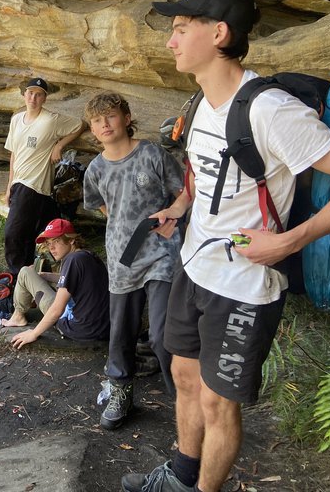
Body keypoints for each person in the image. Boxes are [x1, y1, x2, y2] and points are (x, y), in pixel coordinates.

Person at [121, 0, 330, 492]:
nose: (170, 41)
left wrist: (289, 243)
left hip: (244, 286)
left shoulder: (271, 110)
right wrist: (179, 208)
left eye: (180, 29)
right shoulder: (201, 102)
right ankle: (180, 476)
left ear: (218, 33)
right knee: (182, 376)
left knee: (219, 402)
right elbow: (202, 173)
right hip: (195, 265)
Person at [82, 93, 184, 431]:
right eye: (98, 121)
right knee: (121, 331)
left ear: (127, 117)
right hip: (122, 259)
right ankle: (121, 390)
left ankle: (183, 398)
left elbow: (185, 191)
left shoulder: (152, 153)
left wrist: (172, 218)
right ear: (92, 129)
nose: (105, 124)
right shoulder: (95, 169)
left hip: (161, 254)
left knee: (162, 333)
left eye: (110, 116)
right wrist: (123, 227)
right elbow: (101, 205)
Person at [4, 77, 85, 280]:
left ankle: (16, 279)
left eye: (39, 94)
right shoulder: (16, 120)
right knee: (31, 237)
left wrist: (59, 145)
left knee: (13, 235)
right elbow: (14, 154)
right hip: (20, 185)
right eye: (30, 93)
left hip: (33, 185)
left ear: (44, 98)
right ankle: (28, 281)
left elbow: (80, 125)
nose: (33, 97)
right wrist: (9, 186)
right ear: (24, 95)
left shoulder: (50, 120)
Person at [4, 218, 110, 349]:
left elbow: (57, 309)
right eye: (48, 243)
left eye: (56, 241)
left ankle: (18, 316)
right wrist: (44, 276)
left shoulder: (72, 260)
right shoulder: (88, 256)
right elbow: (73, 280)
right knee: (36, 276)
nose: (51, 248)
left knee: (25, 272)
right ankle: (20, 313)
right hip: (102, 327)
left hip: (78, 329)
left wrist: (34, 333)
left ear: (71, 240)